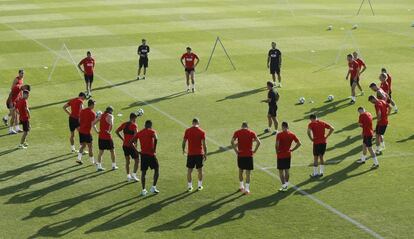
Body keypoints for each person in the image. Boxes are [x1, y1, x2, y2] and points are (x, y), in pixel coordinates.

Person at [231, 122, 261, 195]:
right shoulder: (251, 133)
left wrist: (236, 151)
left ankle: (241, 186)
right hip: (249, 155)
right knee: (248, 173)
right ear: (247, 126)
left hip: (240, 155)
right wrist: (254, 151)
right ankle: (247, 189)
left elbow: (232, 142)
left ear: (242, 126)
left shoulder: (237, 132)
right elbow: (259, 142)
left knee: (240, 171)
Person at [132, 120, 159, 196]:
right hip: (151, 155)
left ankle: (143, 190)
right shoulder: (151, 131)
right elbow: (156, 138)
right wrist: (154, 149)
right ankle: (153, 187)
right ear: (150, 125)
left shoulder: (139, 132)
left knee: (143, 172)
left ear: (145, 125)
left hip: (143, 155)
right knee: (156, 169)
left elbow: (131, 142)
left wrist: (137, 151)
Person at [182, 118, 207, 191]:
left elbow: (184, 142)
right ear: (198, 123)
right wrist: (205, 154)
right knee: (200, 170)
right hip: (199, 154)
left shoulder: (187, 131)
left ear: (192, 122)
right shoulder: (202, 132)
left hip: (191, 154)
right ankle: (199, 186)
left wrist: (183, 150)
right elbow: (204, 144)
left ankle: (189, 186)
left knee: (189, 170)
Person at [276, 122, 301, 192]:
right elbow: (299, 143)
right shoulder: (292, 134)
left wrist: (277, 152)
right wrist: (292, 149)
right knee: (287, 170)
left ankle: (284, 186)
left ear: (283, 127)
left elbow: (276, 145)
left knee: (281, 171)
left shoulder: (279, 134)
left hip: (281, 155)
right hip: (288, 154)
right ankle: (286, 185)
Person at [115, 113, 140, 182]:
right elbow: (136, 135)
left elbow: (116, 131)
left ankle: (128, 176)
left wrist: (123, 139)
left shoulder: (124, 124)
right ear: (133, 118)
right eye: (135, 119)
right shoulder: (134, 125)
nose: (135, 120)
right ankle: (134, 175)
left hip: (125, 145)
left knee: (127, 161)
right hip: (131, 146)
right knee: (137, 160)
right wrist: (136, 144)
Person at [95, 106, 118, 171]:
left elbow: (93, 123)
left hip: (101, 137)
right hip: (107, 137)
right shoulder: (110, 116)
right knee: (112, 151)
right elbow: (111, 124)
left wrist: (97, 131)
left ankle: (99, 166)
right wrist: (109, 131)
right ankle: (114, 165)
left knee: (101, 152)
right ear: (110, 111)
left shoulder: (101, 115)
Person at [76, 99, 97, 165]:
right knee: (90, 147)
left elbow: (79, 120)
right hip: (87, 133)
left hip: (81, 131)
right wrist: (97, 131)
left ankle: (79, 159)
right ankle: (92, 161)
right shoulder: (92, 113)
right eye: (94, 104)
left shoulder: (82, 111)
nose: (94, 106)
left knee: (83, 145)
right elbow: (93, 124)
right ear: (91, 105)